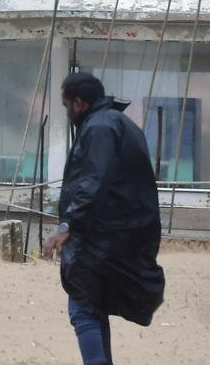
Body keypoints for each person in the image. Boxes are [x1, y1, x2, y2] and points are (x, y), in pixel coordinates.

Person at [43, 72, 165, 365]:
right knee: (94, 307)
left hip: (102, 237)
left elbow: (93, 182)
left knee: (83, 307)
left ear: (80, 103)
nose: (67, 112)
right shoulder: (119, 123)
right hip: (121, 234)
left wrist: (67, 225)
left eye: (67, 105)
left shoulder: (99, 128)